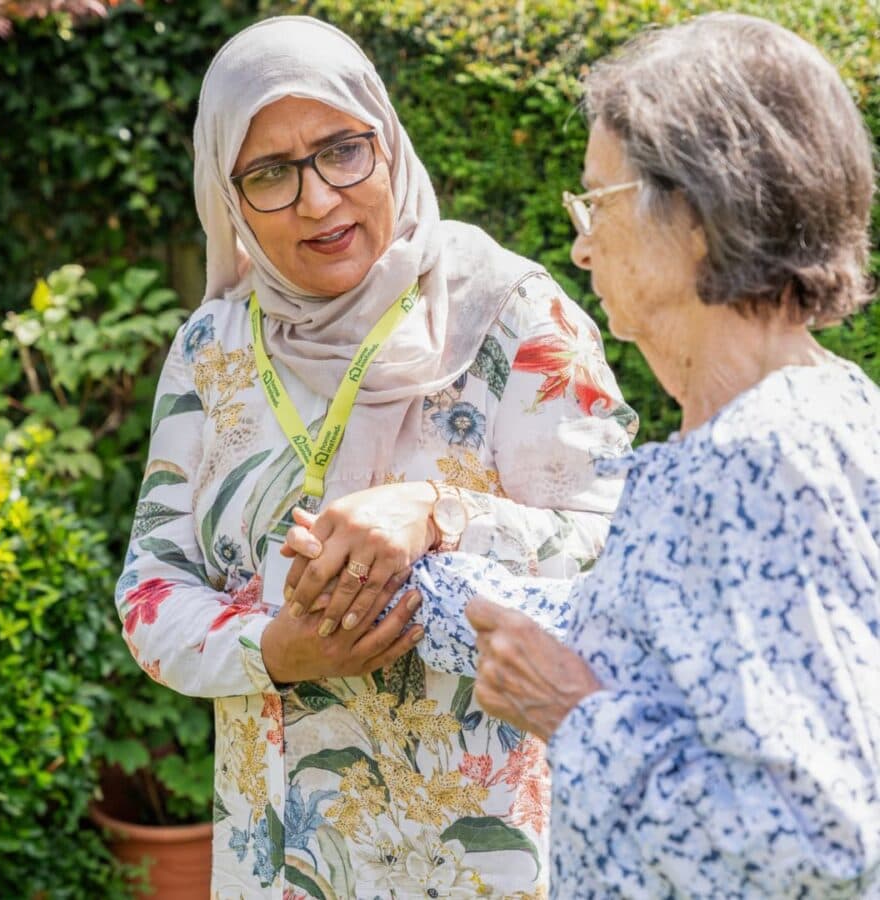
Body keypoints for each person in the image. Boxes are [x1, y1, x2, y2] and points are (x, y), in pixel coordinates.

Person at [115, 15, 635, 898]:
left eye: (342, 151)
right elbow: (150, 591)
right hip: (278, 859)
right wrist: (270, 648)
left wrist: (441, 512)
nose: (317, 200)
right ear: (227, 195)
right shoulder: (211, 348)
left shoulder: (512, 315)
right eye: (271, 174)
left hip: (484, 858)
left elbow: (618, 548)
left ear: (386, 140)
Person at [447, 13, 880, 898]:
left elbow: (821, 841)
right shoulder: (779, 423)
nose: (578, 243)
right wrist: (429, 577)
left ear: (696, 215)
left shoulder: (762, 459)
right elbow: (653, 651)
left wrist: (571, 717)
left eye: (595, 202)